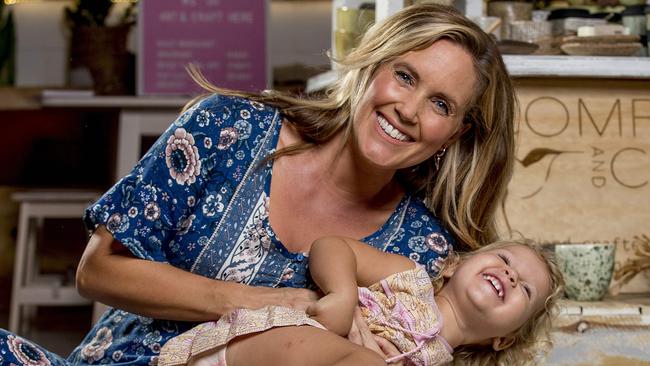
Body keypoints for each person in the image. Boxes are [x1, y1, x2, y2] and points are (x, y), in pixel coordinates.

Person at [0, 3, 516, 366]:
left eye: (441, 104)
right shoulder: (229, 128)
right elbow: (97, 271)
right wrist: (265, 302)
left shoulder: (421, 252)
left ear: (457, 133)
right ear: (374, 63)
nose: (409, 109)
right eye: (405, 76)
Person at [158, 237, 564, 366]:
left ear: (505, 339)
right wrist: (342, 294)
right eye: (506, 260)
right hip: (258, 349)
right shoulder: (408, 278)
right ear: (454, 265)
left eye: (525, 289)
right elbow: (332, 246)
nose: (511, 275)